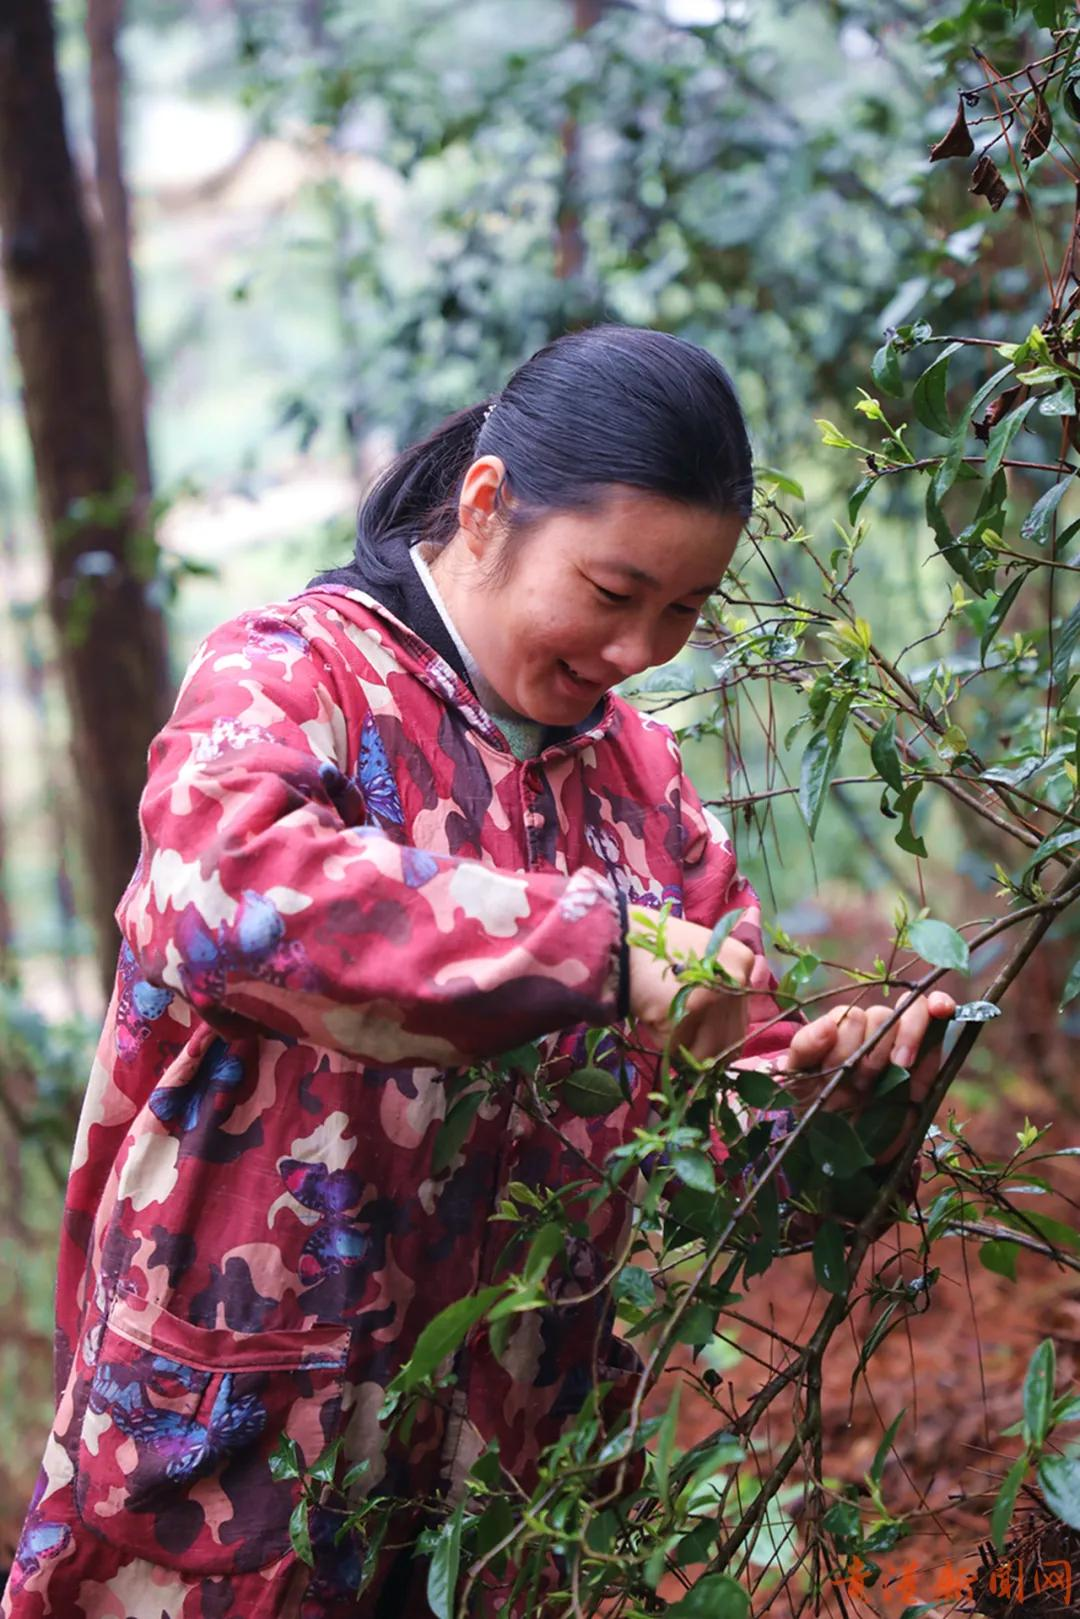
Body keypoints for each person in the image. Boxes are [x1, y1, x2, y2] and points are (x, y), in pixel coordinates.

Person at [3, 324, 953, 1619]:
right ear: (490, 505)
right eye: (613, 594)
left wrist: (845, 1097)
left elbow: (732, 1153)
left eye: (683, 611)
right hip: (239, 1462)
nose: (640, 650)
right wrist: (601, 947)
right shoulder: (294, 678)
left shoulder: (646, 796)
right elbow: (223, 902)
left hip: (500, 1505)